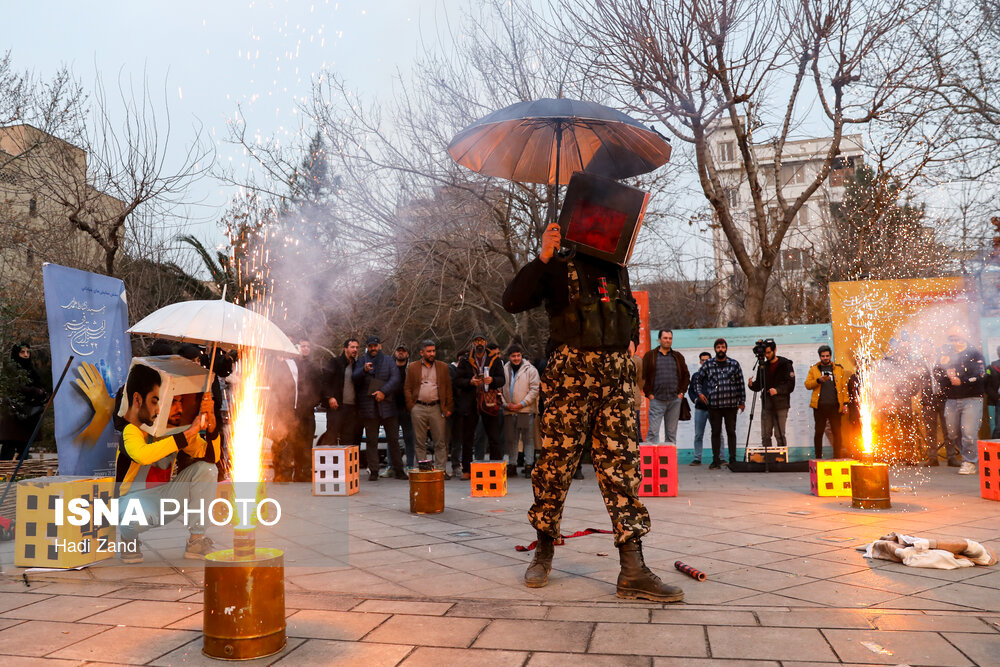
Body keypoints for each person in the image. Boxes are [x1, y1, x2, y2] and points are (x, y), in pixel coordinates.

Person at [502, 220, 683, 603]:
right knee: (554, 467)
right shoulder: (556, 265)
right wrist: (543, 256)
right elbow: (513, 300)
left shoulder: (618, 270)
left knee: (623, 470)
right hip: (570, 377)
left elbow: (627, 318)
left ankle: (632, 569)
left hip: (616, 378)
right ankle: (544, 551)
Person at [114, 364, 219, 563]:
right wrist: (187, 434)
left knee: (207, 470)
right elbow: (143, 455)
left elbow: (210, 457)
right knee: (132, 514)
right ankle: (128, 539)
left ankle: (196, 540)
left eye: (180, 401)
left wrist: (212, 425)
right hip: (134, 503)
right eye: (171, 401)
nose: (178, 408)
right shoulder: (132, 431)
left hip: (167, 498)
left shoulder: (176, 430)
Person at [934, 326, 986, 475]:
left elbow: (980, 374)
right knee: (952, 433)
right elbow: (937, 372)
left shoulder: (974, 353)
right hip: (951, 399)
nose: (955, 341)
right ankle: (969, 456)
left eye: (957, 338)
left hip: (972, 398)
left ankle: (969, 461)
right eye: (951, 338)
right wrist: (946, 378)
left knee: (968, 432)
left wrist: (962, 380)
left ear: (964, 337)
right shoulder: (946, 354)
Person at [354, 336, 405, 480]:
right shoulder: (362, 361)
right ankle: (374, 471)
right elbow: (354, 378)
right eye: (370, 346)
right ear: (367, 347)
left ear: (380, 346)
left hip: (388, 406)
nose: (373, 348)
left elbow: (395, 379)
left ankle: (399, 470)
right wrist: (363, 370)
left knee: (394, 440)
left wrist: (383, 392)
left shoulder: (389, 360)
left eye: (375, 346)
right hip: (369, 407)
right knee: (371, 442)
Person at [453, 335, 506, 473]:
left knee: (494, 437)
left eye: (481, 341)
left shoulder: (495, 359)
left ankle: (495, 470)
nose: (479, 343)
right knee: (468, 438)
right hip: (470, 402)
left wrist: (492, 380)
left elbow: (502, 380)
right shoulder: (465, 360)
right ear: (472, 343)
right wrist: (470, 382)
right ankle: (466, 470)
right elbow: (457, 381)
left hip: (489, 401)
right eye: (476, 341)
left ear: (486, 343)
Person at [404, 340, 454, 475]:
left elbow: (448, 388)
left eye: (433, 351)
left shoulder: (442, 367)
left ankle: (440, 471)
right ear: (422, 352)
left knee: (440, 441)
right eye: (429, 351)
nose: (432, 354)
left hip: (437, 407)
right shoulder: (413, 367)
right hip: (418, 407)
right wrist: (411, 406)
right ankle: (423, 471)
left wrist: (448, 407)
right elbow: (407, 388)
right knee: (420, 441)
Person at [699, 338, 745, 469]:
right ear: (715, 349)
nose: (721, 349)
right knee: (716, 432)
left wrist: (741, 401)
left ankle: (732, 460)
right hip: (714, 405)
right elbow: (698, 380)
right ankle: (716, 460)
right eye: (718, 347)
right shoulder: (708, 364)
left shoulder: (734, 364)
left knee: (731, 431)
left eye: (723, 347)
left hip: (731, 405)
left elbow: (740, 383)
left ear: (726, 348)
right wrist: (700, 393)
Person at [1, 343, 48, 460]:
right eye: (22, 352)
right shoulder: (10, 368)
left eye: (28, 352)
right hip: (14, 413)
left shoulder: (32, 369)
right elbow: (14, 386)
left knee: (25, 447)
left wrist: (40, 393)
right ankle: (2, 475)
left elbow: (41, 387)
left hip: (29, 414)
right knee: (9, 446)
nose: (26, 355)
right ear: (16, 353)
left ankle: (21, 476)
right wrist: (34, 391)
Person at [641, 330, 689, 443]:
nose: (668, 340)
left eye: (670, 338)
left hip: (674, 401)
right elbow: (643, 376)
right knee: (653, 433)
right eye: (665, 338)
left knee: (671, 435)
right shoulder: (650, 356)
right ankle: (651, 460)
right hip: (656, 400)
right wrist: (649, 394)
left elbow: (686, 376)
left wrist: (681, 393)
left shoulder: (677, 356)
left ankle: (670, 460)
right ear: (659, 340)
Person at [748, 339, 795, 450]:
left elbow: (791, 385)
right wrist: (751, 385)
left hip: (781, 404)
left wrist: (777, 390)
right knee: (765, 435)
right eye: (765, 353)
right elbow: (759, 385)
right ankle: (767, 459)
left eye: (769, 352)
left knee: (779, 435)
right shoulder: (763, 366)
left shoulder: (785, 364)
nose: (767, 355)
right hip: (767, 404)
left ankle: (782, 460)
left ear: (775, 350)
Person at [804, 345, 849, 459]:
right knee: (818, 432)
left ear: (830, 356)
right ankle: (818, 457)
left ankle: (837, 456)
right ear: (819, 357)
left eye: (827, 356)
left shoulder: (839, 369)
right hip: (819, 406)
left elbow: (844, 387)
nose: (825, 358)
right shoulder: (814, 369)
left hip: (835, 405)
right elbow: (807, 385)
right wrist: (818, 380)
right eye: (823, 356)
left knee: (837, 432)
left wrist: (845, 404)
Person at [502, 344, 540, 478]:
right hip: (509, 410)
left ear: (521, 355)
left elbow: (535, 389)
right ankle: (511, 465)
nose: (516, 358)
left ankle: (529, 465)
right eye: (513, 356)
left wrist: (522, 404)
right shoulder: (503, 369)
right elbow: (498, 390)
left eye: (518, 355)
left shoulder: (531, 370)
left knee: (528, 439)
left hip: (525, 410)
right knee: (511, 439)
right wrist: (506, 404)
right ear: (509, 357)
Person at [319, 338, 361, 447]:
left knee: (348, 439)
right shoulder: (335, 362)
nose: (355, 350)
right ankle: (329, 463)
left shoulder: (357, 366)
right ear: (345, 348)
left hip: (351, 408)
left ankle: (345, 464)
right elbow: (325, 381)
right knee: (331, 436)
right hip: (336, 407)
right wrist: (330, 397)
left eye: (357, 347)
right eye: (352, 347)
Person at [687, 352, 712, 465]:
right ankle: (697, 458)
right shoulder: (696, 376)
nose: (704, 362)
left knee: (717, 433)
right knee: (698, 434)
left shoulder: (715, 375)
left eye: (707, 360)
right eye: (702, 360)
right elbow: (691, 391)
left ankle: (720, 458)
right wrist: (695, 400)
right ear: (700, 362)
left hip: (713, 409)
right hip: (700, 409)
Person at [394, 345, 416, 468]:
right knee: (392, 439)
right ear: (395, 353)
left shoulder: (412, 368)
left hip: (408, 408)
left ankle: (409, 466)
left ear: (407, 354)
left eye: (403, 351)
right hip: (392, 407)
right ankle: (392, 466)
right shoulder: (390, 368)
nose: (401, 353)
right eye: (399, 351)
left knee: (409, 438)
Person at [985, 346, 1000, 439]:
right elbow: (986, 385)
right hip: (999, 401)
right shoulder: (991, 367)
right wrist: (997, 397)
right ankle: (995, 451)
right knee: (999, 428)